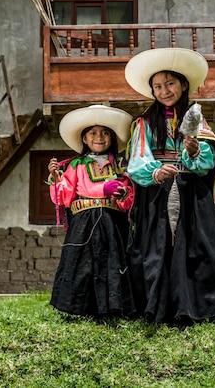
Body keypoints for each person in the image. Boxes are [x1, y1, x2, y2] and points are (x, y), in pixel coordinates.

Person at [124, 47, 215, 324]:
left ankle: (203, 305)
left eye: (169, 84)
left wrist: (193, 152)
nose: (164, 90)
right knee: (157, 249)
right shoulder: (143, 123)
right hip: (157, 195)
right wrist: (156, 173)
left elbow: (207, 160)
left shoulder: (196, 119)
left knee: (202, 246)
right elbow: (136, 161)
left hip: (191, 193)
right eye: (157, 86)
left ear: (183, 85)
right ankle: (158, 307)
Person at [47, 104, 136, 319]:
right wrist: (57, 179)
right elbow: (65, 197)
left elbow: (130, 196)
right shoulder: (75, 165)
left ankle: (112, 307)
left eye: (105, 132)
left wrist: (122, 192)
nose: (99, 137)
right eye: (93, 133)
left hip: (112, 222)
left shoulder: (121, 165)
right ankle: (78, 308)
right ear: (84, 139)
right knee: (81, 263)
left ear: (112, 138)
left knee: (112, 261)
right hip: (84, 223)